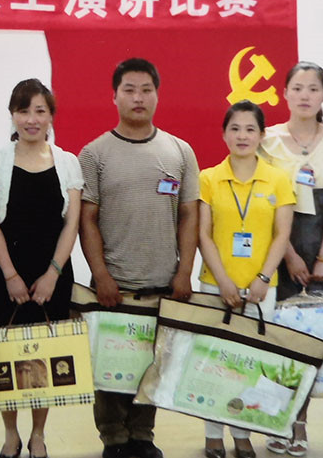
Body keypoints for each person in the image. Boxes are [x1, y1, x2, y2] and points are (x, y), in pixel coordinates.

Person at [79, 58, 199, 458]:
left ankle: (143, 436)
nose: (138, 97)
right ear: (114, 96)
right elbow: (87, 219)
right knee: (111, 367)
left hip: (162, 283)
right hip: (114, 284)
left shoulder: (180, 151)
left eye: (146, 89)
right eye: (129, 89)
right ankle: (113, 437)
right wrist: (101, 274)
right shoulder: (94, 153)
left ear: (157, 95)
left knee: (152, 363)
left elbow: (189, 215)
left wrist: (185, 271)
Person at [0, 78, 83, 458]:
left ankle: (38, 434)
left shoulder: (68, 162)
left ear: (51, 116)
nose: (31, 119)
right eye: (23, 111)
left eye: (40, 111)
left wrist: (53, 273)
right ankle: (11, 435)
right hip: (4, 273)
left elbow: (71, 224)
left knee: (45, 359)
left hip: (51, 273)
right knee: (5, 359)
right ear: (13, 115)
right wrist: (10, 275)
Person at [258, 62, 323, 456]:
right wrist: (289, 255)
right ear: (284, 93)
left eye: (313, 89)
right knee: (283, 340)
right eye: (297, 88)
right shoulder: (267, 140)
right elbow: (268, 205)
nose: (304, 95)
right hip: (280, 245)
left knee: (317, 338)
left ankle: (303, 422)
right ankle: (286, 422)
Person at [197, 100, 294, 458]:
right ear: (224, 134)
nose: (242, 135)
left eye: (250, 129)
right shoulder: (208, 178)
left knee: (250, 364)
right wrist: (222, 281)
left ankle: (242, 434)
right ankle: (212, 434)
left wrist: (263, 277)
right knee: (213, 362)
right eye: (235, 128)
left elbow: (282, 235)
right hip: (215, 284)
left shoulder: (278, 178)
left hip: (261, 288)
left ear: (262, 135)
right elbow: (203, 235)